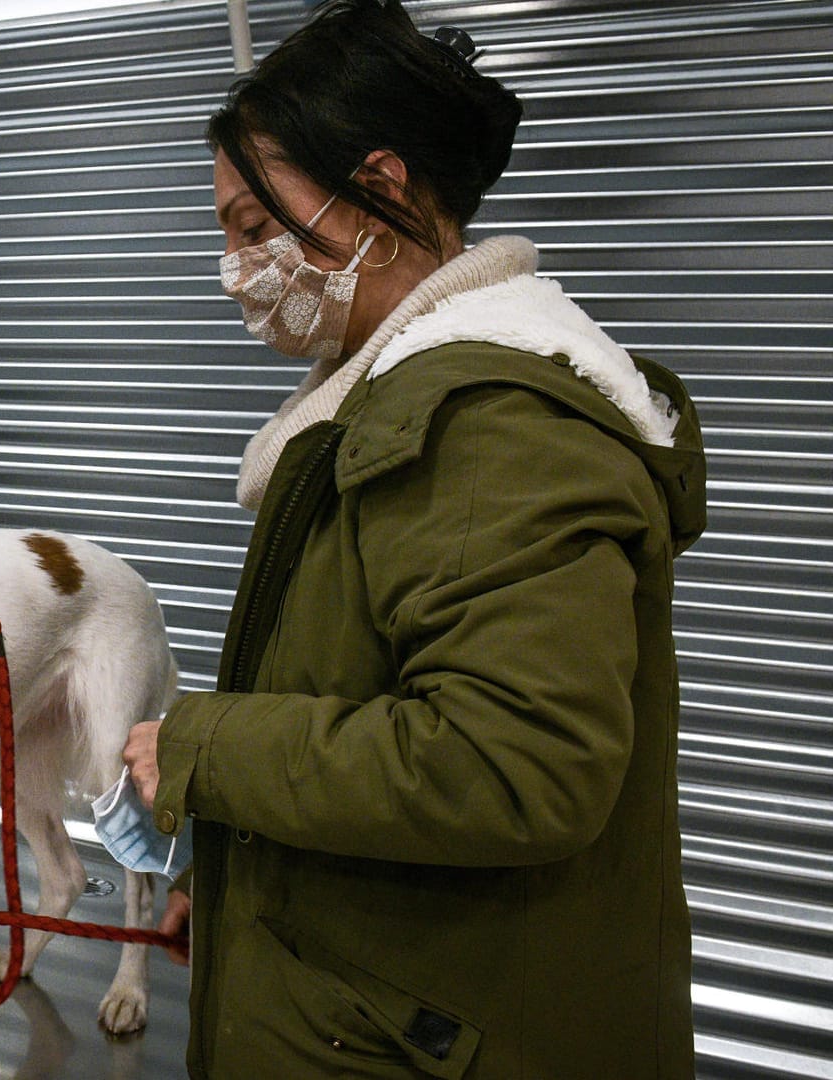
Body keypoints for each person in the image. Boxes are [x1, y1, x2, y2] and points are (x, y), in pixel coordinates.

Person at [119, 2, 706, 1076]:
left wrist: (204, 752)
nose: (235, 268)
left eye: (255, 227)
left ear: (380, 192)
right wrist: (235, 895)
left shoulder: (490, 427)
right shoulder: (380, 399)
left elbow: (509, 763)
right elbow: (368, 694)